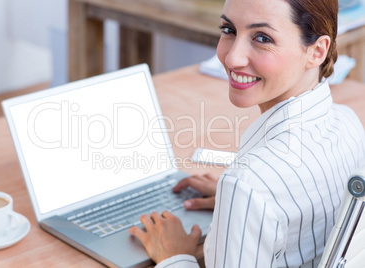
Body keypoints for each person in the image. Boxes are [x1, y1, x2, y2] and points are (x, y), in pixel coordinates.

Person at [129, 0, 365, 267]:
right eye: (229, 29)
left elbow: (260, 185)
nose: (232, 58)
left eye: (262, 37)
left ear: (317, 51)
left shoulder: (249, 183)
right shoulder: (349, 124)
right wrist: (244, 209)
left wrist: (174, 256)